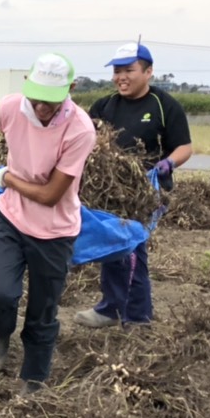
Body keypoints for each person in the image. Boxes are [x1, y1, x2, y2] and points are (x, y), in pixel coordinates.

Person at [0, 53, 97, 395]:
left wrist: (8, 178)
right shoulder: (9, 109)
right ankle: (1, 332)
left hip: (55, 231)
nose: (41, 109)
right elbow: (16, 142)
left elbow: (49, 195)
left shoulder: (80, 129)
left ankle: (34, 378)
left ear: (71, 89)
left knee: (42, 311)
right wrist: (12, 181)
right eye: (36, 98)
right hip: (12, 218)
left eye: (51, 101)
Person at [75, 42, 193, 327]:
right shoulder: (104, 105)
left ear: (148, 71)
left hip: (146, 192)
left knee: (131, 248)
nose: (121, 77)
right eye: (117, 71)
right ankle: (111, 308)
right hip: (110, 191)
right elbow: (86, 139)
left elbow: (184, 147)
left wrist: (168, 164)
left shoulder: (164, 106)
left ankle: (136, 316)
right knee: (112, 247)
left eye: (129, 70)